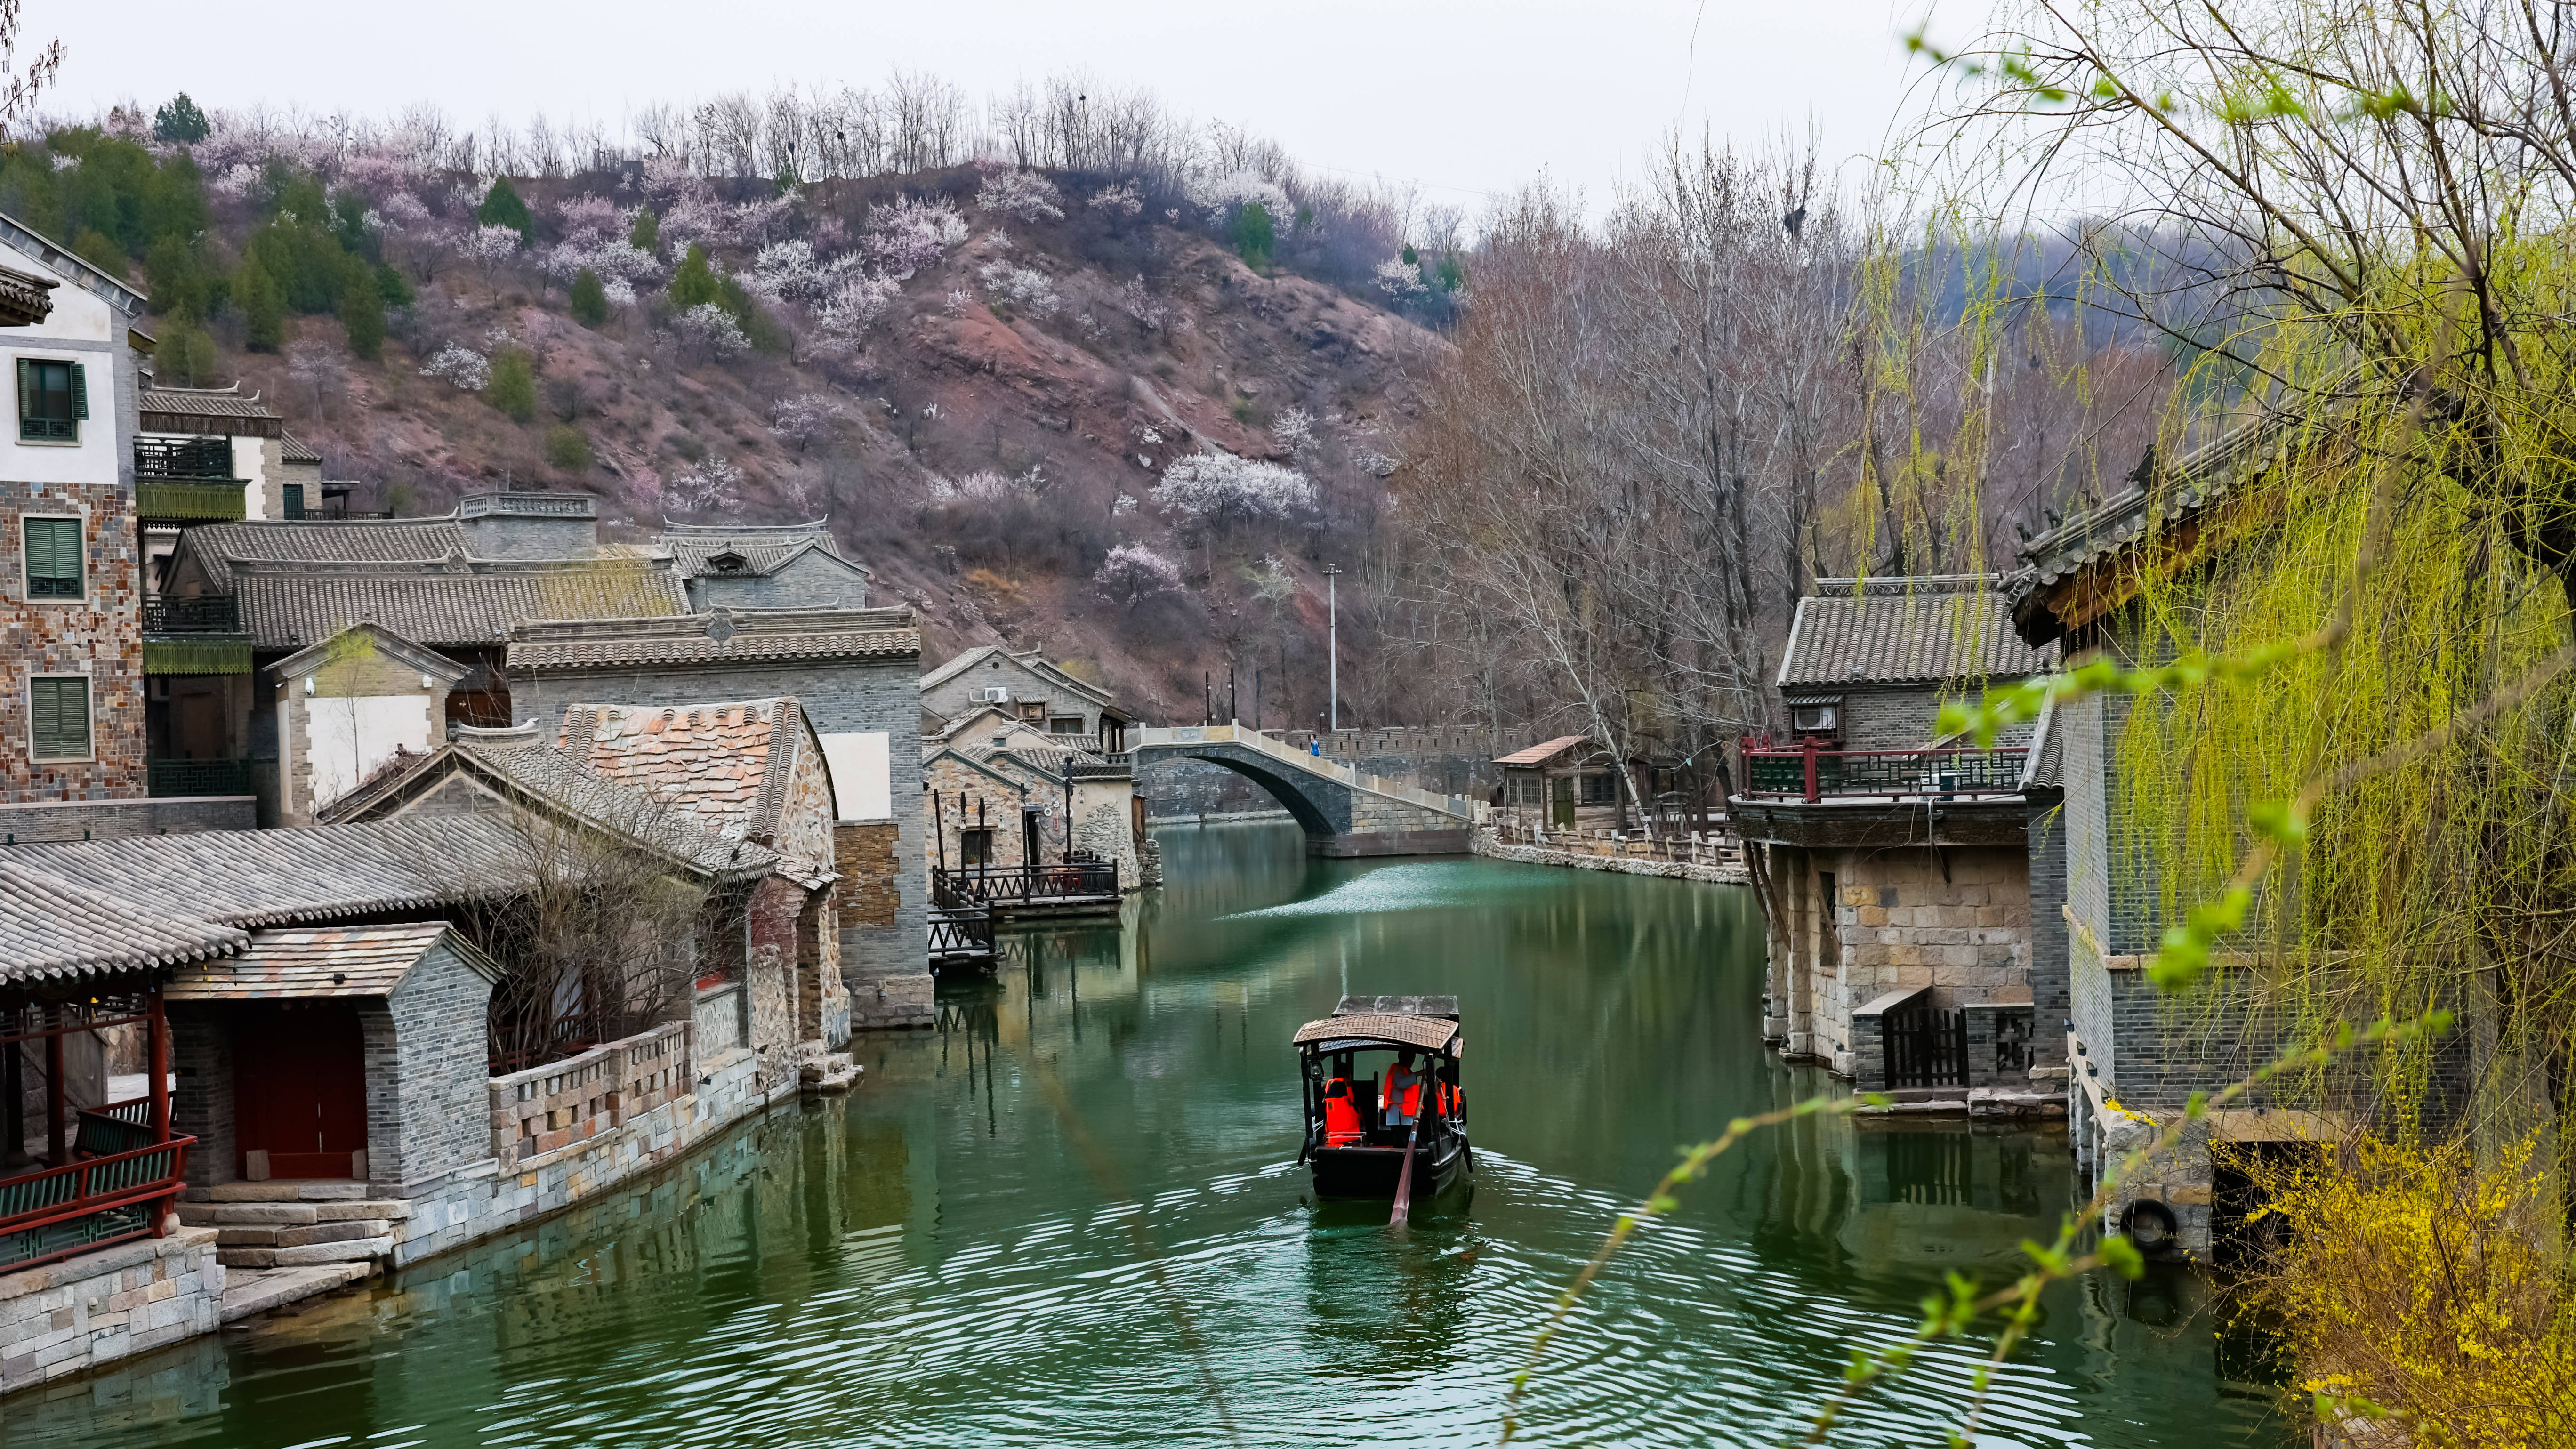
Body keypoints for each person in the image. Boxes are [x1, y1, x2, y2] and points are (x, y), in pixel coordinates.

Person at [1380, 1051, 1426, 1130]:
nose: (1413, 1061)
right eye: (1412, 1059)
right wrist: (1418, 1074)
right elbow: (1401, 1084)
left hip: (1405, 1114)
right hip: (1400, 1115)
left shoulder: (1405, 1070)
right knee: (1404, 1139)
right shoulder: (1398, 1070)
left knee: (1407, 1139)